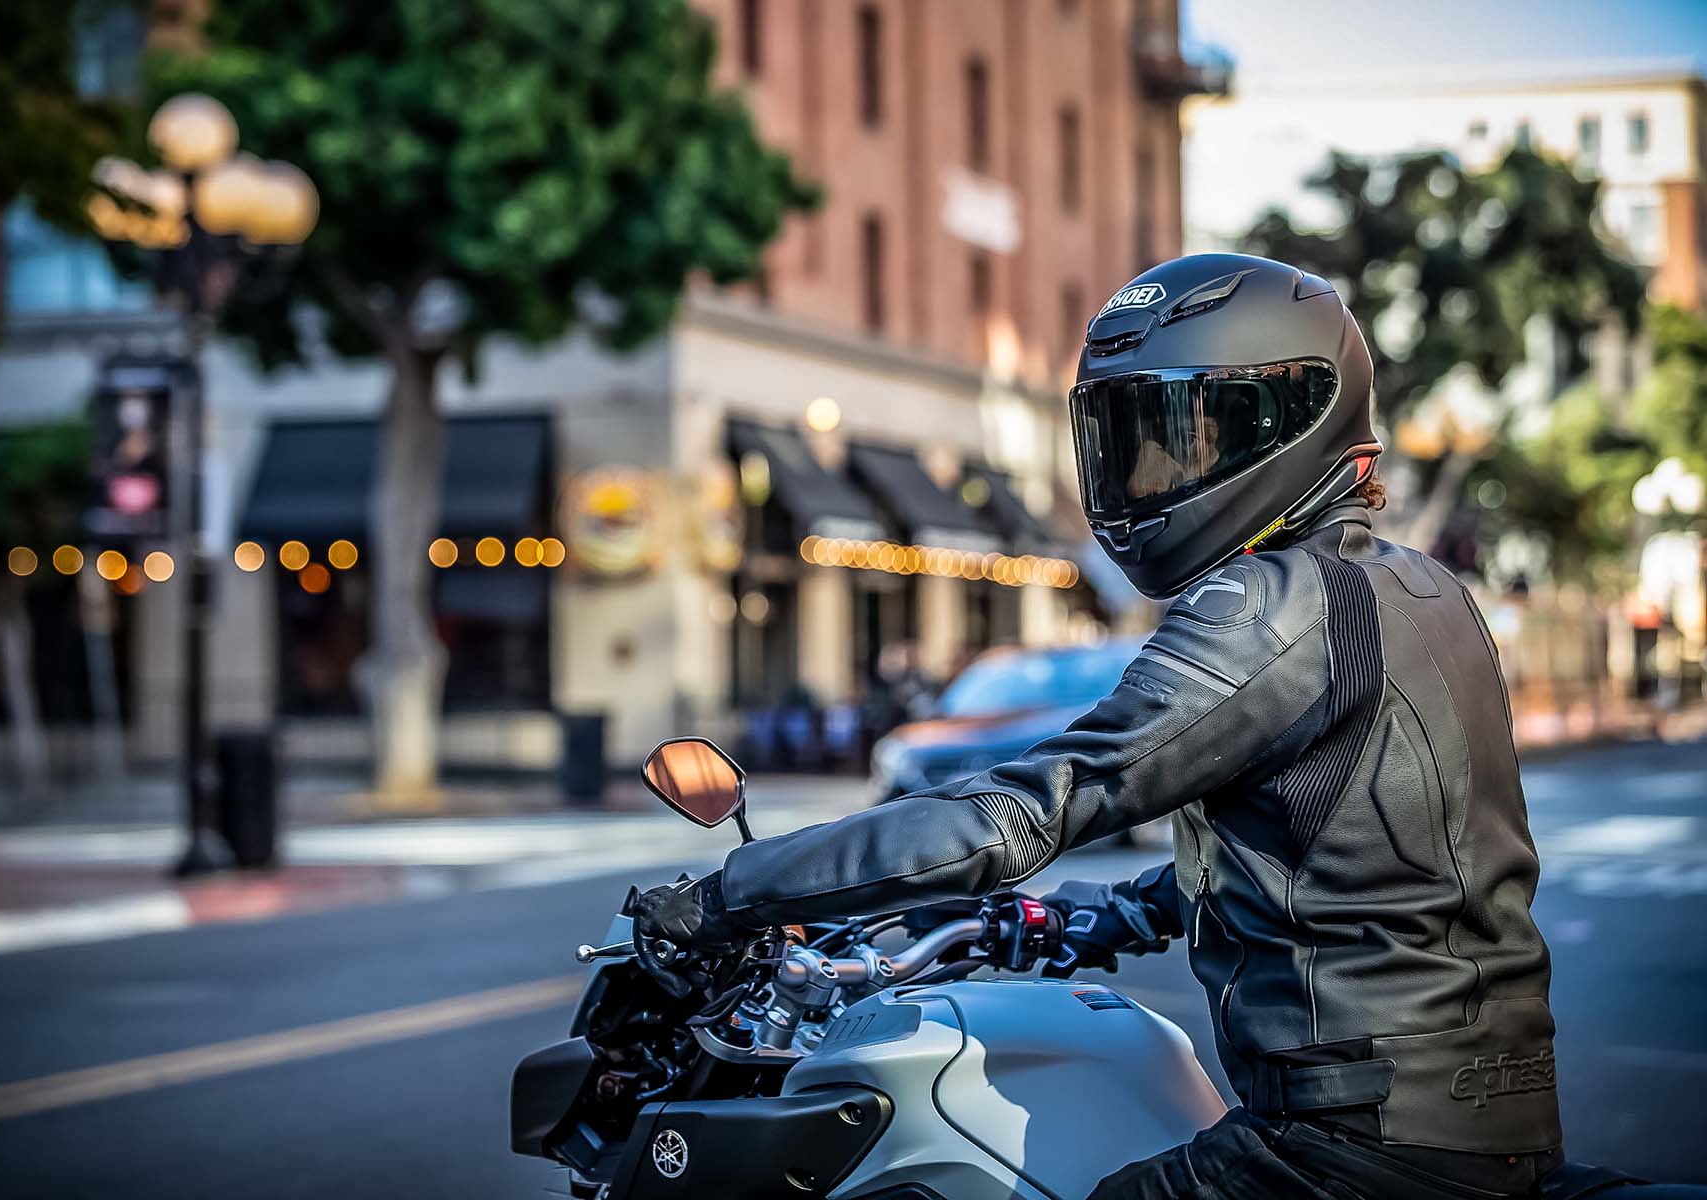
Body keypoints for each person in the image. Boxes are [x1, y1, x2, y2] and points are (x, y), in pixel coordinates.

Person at [636, 254, 1563, 1198]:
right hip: (1481, 1126)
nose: (1151, 474)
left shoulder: (1271, 604)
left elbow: (1031, 807)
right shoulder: (1422, 588)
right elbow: (1350, 854)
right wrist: (1105, 917)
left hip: (1345, 1150)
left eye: (1189, 437)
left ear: (1289, 418)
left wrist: (730, 894)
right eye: (1130, 439)